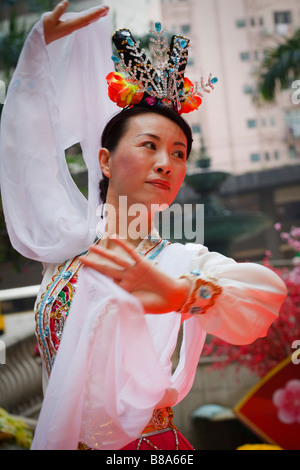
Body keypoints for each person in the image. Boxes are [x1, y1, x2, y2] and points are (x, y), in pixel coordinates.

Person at [0, 1, 287, 451]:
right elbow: (27, 157)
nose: (165, 163)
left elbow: (265, 299)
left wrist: (179, 294)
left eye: (178, 153)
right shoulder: (65, 247)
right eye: (149, 145)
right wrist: (38, 54)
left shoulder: (181, 260)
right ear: (105, 160)